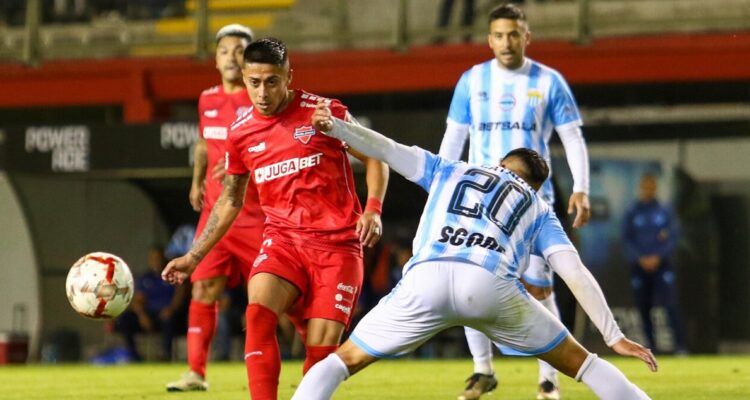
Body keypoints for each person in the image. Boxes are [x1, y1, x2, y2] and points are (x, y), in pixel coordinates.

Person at [291, 106, 657, 400]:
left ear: (500, 164)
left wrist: (338, 128)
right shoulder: (538, 206)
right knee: (584, 363)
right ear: (536, 185)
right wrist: (613, 336)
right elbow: (574, 271)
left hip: (426, 279)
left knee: (342, 361)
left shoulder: (451, 168)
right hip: (488, 286)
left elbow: (386, 148)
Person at [162, 37, 389, 400]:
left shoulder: (324, 112)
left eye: (272, 81)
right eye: (254, 82)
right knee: (257, 316)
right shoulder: (241, 132)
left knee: (320, 352)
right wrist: (193, 256)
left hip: (338, 247)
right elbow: (229, 200)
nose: (262, 92)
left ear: (288, 76)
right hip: (284, 242)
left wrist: (373, 209)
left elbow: (377, 156)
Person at [437, 4, 591, 399]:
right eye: (500, 35)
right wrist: (442, 185)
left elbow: (572, 137)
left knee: (540, 291)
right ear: (490, 39)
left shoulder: (548, 81)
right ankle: (482, 371)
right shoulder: (472, 81)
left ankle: (548, 379)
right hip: (480, 201)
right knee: (469, 281)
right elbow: (454, 138)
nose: (507, 42)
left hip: (531, 203)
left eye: (514, 34)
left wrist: (581, 187)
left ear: (527, 36)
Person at [166, 24, 266, 392]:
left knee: (274, 293)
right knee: (203, 289)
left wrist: (246, 169)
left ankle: (318, 363)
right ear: (216, 58)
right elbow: (203, 143)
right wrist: (197, 180)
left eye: (239, 51)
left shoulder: (260, 101)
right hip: (213, 211)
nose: (231, 57)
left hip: (253, 214)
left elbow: (271, 152)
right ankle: (195, 372)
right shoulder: (207, 99)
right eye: (225, 51)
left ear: (248, 58)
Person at [623, 174, 687, 354]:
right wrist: (640, 258)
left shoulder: (664, 211)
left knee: (670, 305)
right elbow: (627, 239)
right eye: (645, 186)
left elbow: (673, 238)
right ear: (641, 187)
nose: (648, 189)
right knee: (643, 307)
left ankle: (680, 347)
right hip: (639, 267)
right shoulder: (632, 212)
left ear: (655, 188)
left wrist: (658, 257)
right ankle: (651, 348)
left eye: (651, 186)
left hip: (662, 266)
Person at [116, 245, 188, 361]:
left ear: (163, 258)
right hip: (150, 315)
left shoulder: (172, 274)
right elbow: (138, 301)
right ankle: (134, 356)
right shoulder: (146, 278)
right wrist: (142, 315)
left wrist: (171, 309)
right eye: (152, 258)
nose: (155, 261)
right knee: (126, 319)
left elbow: (179, 295)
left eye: (157, 258)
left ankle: (165, 355)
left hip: (168, 314)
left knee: (169, 319)